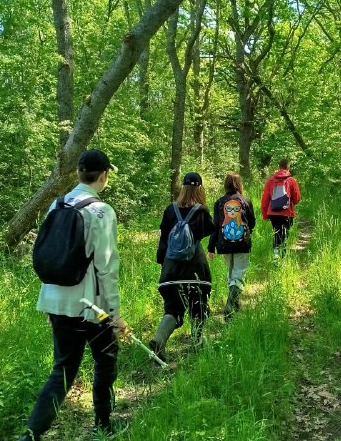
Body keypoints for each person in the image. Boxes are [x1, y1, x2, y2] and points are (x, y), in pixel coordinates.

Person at [19, 150, 126, 441]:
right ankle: (103, 424)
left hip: (56, 300)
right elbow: (107, 267)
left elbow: (51, 254)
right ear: (104, 175)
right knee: (106, 359)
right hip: (92, 306)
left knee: (62, 370)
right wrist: (114, 314)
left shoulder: (57, 204)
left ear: (79, 173)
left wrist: (50, 304)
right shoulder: (101, 211)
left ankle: (30, 434)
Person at [149, 172, 215, 362]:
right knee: (198, 305)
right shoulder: (201, 211)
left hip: (170, 270)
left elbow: (163, 241)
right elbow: (210, 229)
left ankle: (159, 340)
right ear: (200, 189)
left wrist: (164, 265)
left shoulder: (170, 210)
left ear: (183, 188)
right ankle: (198, 342)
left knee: (173, 309)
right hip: (196, 270)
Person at [207, 173, 256, 321]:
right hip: (242, 243)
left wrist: (211, 247)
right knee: (238, 274)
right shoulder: (245, 201)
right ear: (239, 184)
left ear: (225, 185)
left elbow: (215, 226)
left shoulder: (219, 202)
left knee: (231, 274)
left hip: (224, 244)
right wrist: (246, 233)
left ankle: (234, 304)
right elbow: (252, 222)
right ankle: (230, 304)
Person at [260, 158, 301, 259]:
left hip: (273, 213)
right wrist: (291, 202)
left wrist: (265, 215)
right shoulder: (291, 181)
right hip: (287, 212)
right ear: (288, 167)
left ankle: (276, 255)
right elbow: (297, 198)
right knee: (284, 234)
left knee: (277, 232)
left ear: (279, 167)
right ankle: (282, 255)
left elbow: (265, 199)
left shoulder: (271, 180)